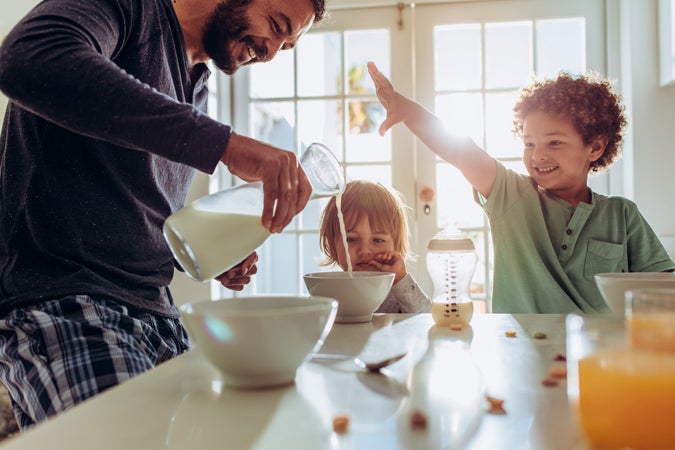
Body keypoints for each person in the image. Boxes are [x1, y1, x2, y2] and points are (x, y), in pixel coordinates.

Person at [0, 0, 326, 428]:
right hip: (66, 303)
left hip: (158, 316)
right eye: (276, 25)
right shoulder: (130, 11)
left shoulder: (197, 86)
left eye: (285, 47)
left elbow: (137, 211)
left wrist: (207, 253)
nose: (269, 52)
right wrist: (224, 145)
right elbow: (26, 58)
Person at [367, 62, 675, 314]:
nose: (538, 155)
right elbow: (460, 150)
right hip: (517, 351)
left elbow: (664, 291)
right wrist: (407, 111)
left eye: (554, 142)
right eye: (529, 144)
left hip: (599, 357)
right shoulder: (511, 198)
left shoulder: (622, 214)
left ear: (594, 147)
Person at [319, 180, 431, 313]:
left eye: (377, 240)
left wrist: (401, 280)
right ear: (333, 244)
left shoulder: (399, 291)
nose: (364, 250)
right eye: (351, 239)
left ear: (396, 245)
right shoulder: (328, 289)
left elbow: (426, 318)